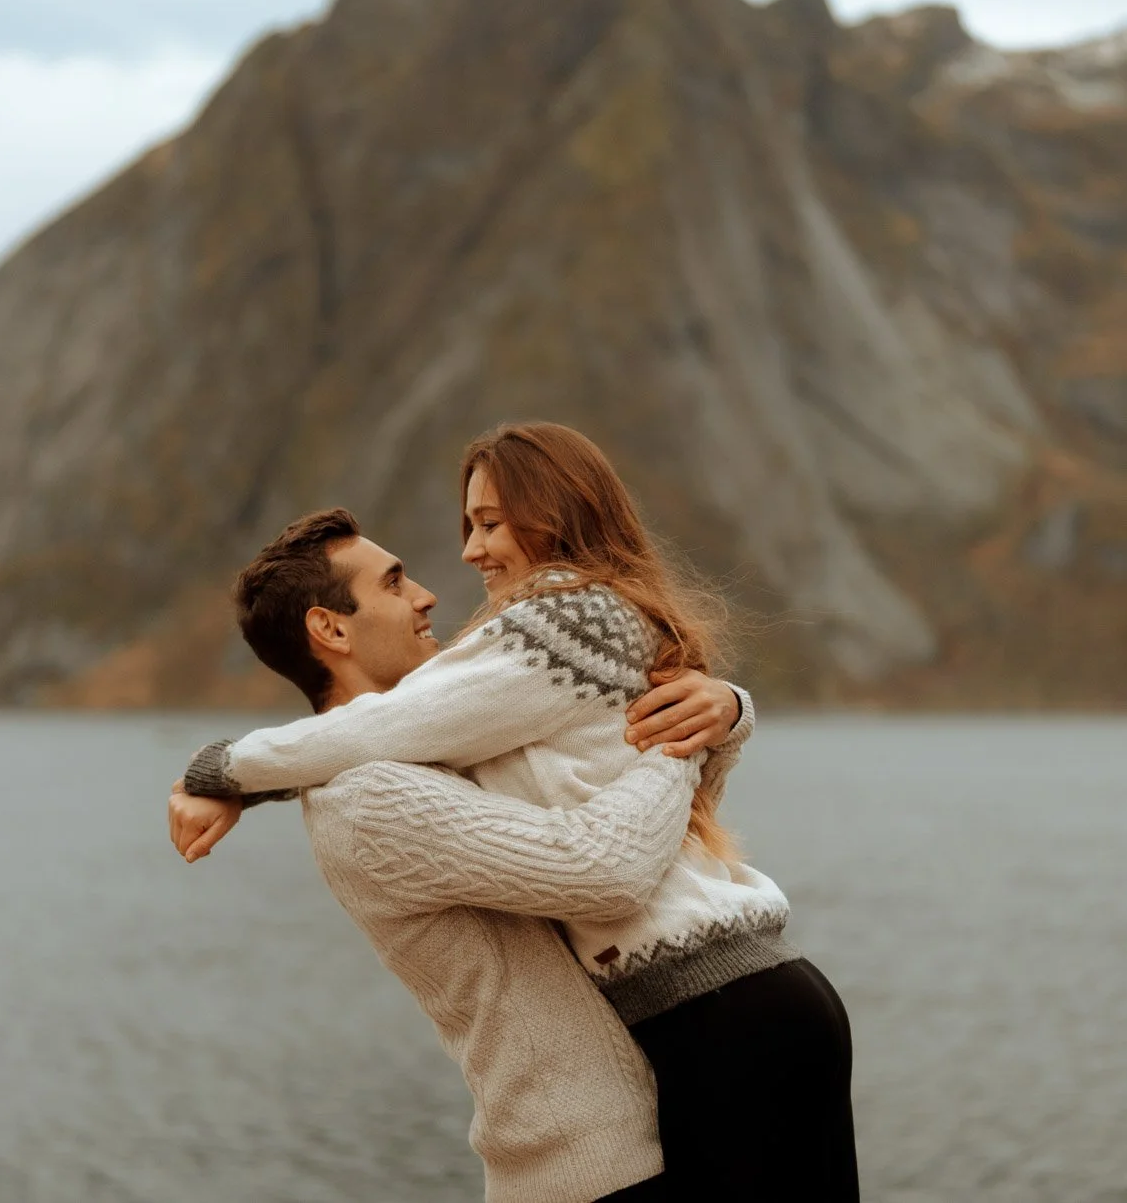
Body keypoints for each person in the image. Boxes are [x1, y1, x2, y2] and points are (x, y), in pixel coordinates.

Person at [177, 422, 860, 1199]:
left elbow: (610, 847)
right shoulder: (381, 785)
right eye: (398, 582)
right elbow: (600, 849)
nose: (450, 571)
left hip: (720, 1017)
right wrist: (232, 775)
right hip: (708, 1034)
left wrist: (717, 718)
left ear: (556, 516)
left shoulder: (547, 635)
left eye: (488, 523)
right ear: (329, 627)